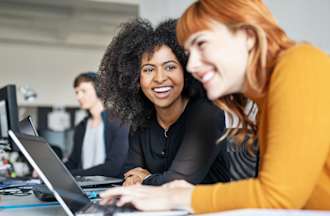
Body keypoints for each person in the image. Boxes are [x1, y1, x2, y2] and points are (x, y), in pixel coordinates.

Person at [99, 0, 330, 213]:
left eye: (202, 44)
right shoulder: (267, 99)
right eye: (190, 53)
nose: (192, 65)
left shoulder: (300, 66)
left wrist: (177, 197)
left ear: (248, 36)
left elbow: (277, 196)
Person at [99, 19, 256, 186]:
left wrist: (145, 178)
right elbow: (130, 173)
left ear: (186, 71)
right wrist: (135, 178)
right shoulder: (141, 121)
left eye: (170, 67)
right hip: (158, 209)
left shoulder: (207, 114)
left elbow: (180, 182)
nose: (159, 78)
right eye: (149, 70)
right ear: (136, 78)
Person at [64, 72, 129, 177]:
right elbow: (73, 162)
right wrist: (51, 172)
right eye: (76, 92)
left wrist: (73, 174)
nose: (79, 97)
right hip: (83, 185)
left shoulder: (119, 123)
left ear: (99, 91)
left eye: (83, 91)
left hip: (107, 187)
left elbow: (114, 167)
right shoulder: (81, 126)